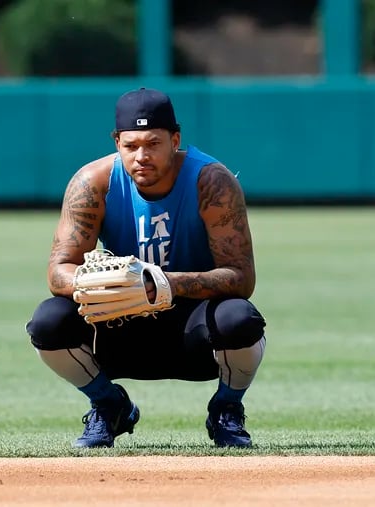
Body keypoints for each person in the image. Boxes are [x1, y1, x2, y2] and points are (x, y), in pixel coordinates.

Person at [26, 87, 267, 448]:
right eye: (131, 145)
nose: (142, 156)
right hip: (122, 320)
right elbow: (58, 270)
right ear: (117, 142)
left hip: (194, 328)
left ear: (175, 139)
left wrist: (159, 284)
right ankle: (109, 405)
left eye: (153, 143)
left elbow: (241, 277)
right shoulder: (93, 183)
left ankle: (226, 409)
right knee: (48, 322)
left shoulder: (211, 181)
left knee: (240, 319)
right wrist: (98, 283)